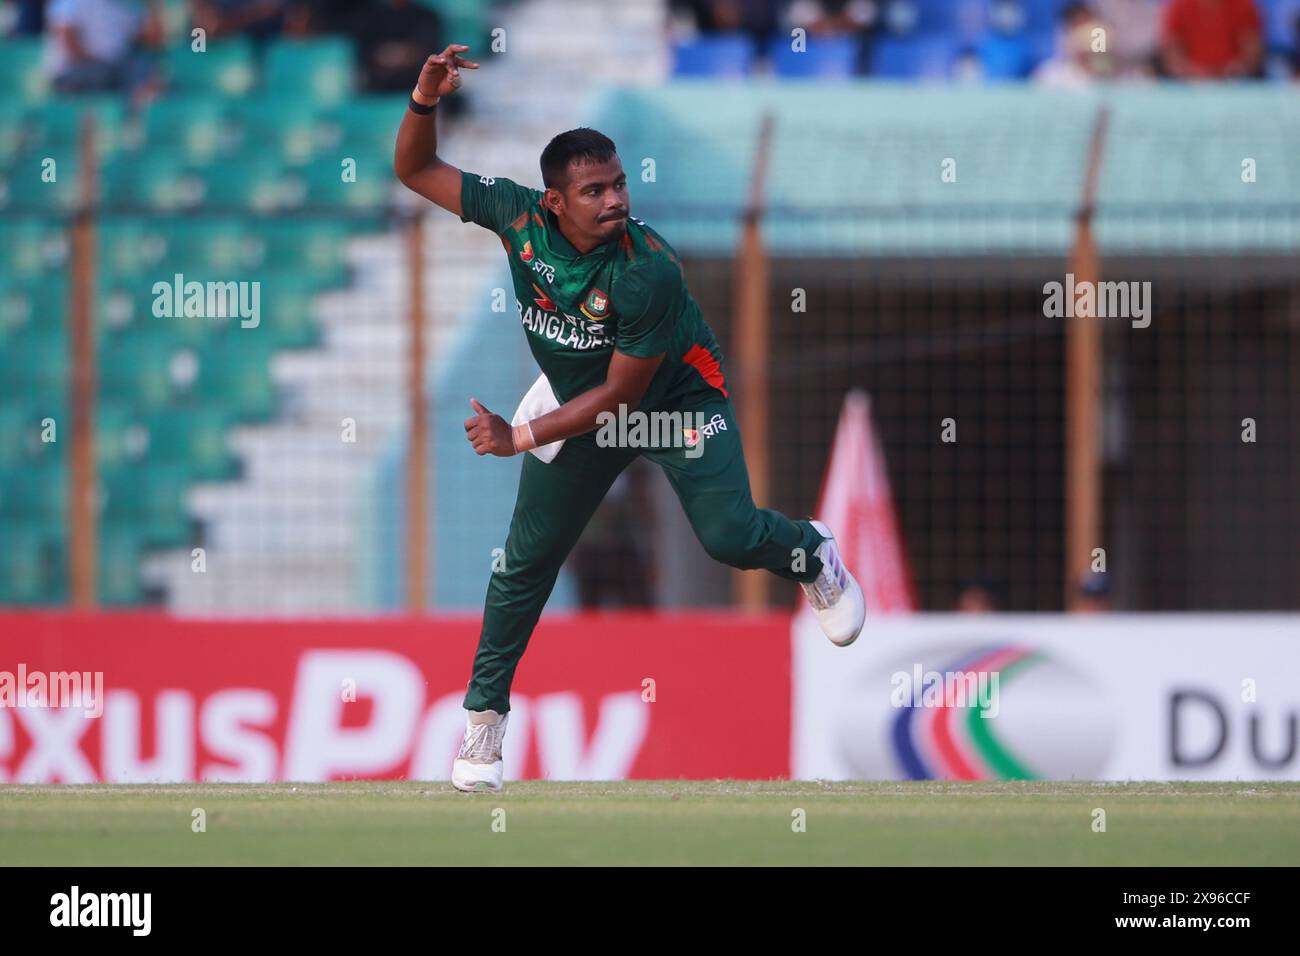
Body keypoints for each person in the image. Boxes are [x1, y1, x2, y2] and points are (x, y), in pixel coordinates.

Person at [393, 44, 868, 793]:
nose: (615, 200)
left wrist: (517, 437)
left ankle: (811, 554)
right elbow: (417, 171)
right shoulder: (517, 217)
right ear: (555, 202)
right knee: (524, 566)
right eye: (594, 191)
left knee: (730, 538)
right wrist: (424, 100)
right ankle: (484, 724)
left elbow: (620, 399)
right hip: (576, 402)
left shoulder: (647, 269)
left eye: (618, 184)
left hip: (671, 403)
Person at [1160, 0, 1263, 79]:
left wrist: (1235, 70)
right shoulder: (1179, 7)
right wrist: (1193, 73)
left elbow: (1251, 54)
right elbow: (1172, 56)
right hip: (1190, 85)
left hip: (1233, 84)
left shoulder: (1243, 6)